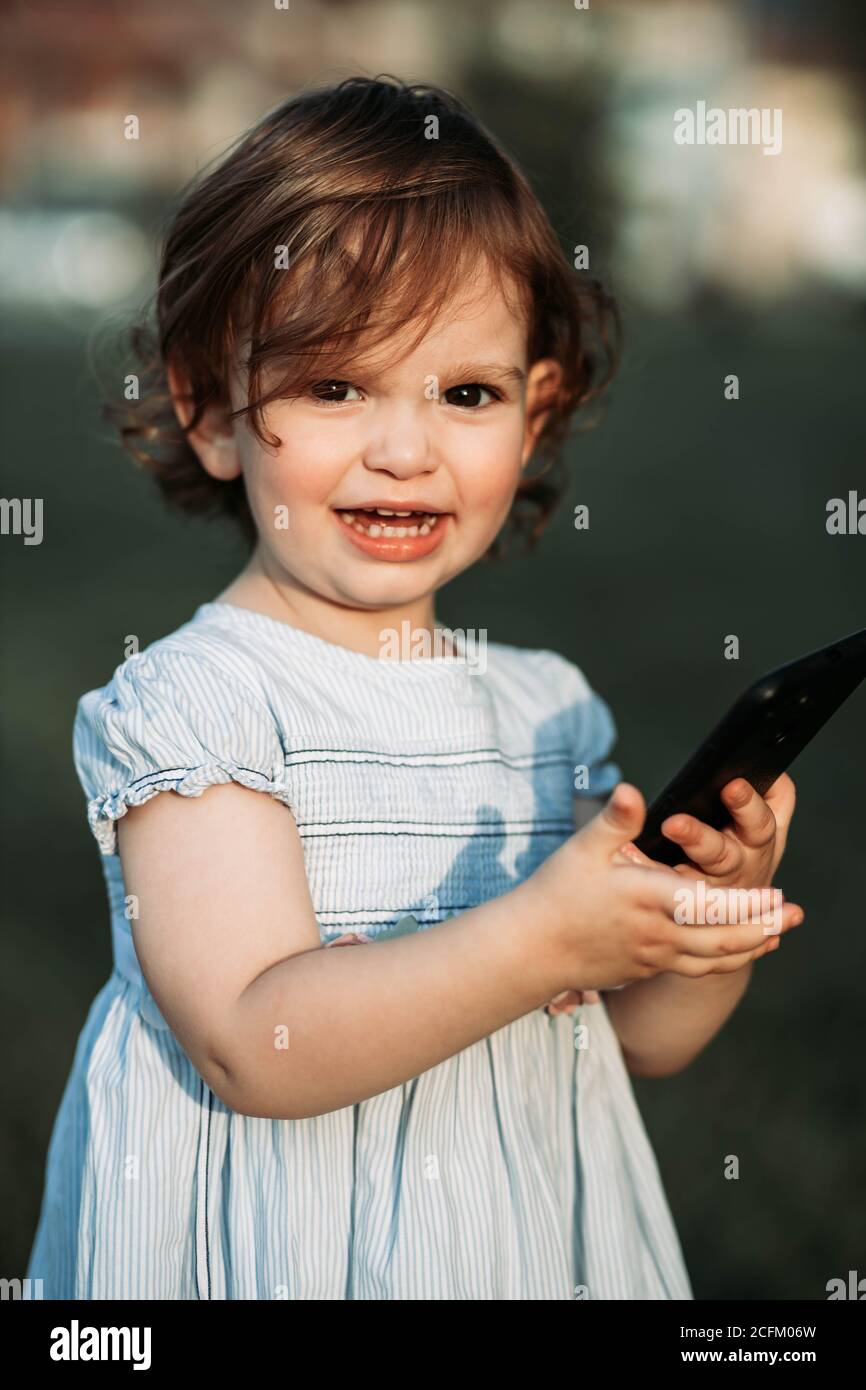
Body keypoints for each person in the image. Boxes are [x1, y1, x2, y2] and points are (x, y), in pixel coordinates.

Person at [27, 76, 801, 1300]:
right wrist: (535, 933)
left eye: (467, 393)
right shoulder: (197, 707)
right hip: (284, 1250)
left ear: (536, 415)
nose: (405, 447)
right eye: (334, 386)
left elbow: (638, 1043)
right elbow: (252, 1044)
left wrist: (698, 934)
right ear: (208, 409)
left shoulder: (547, 711)